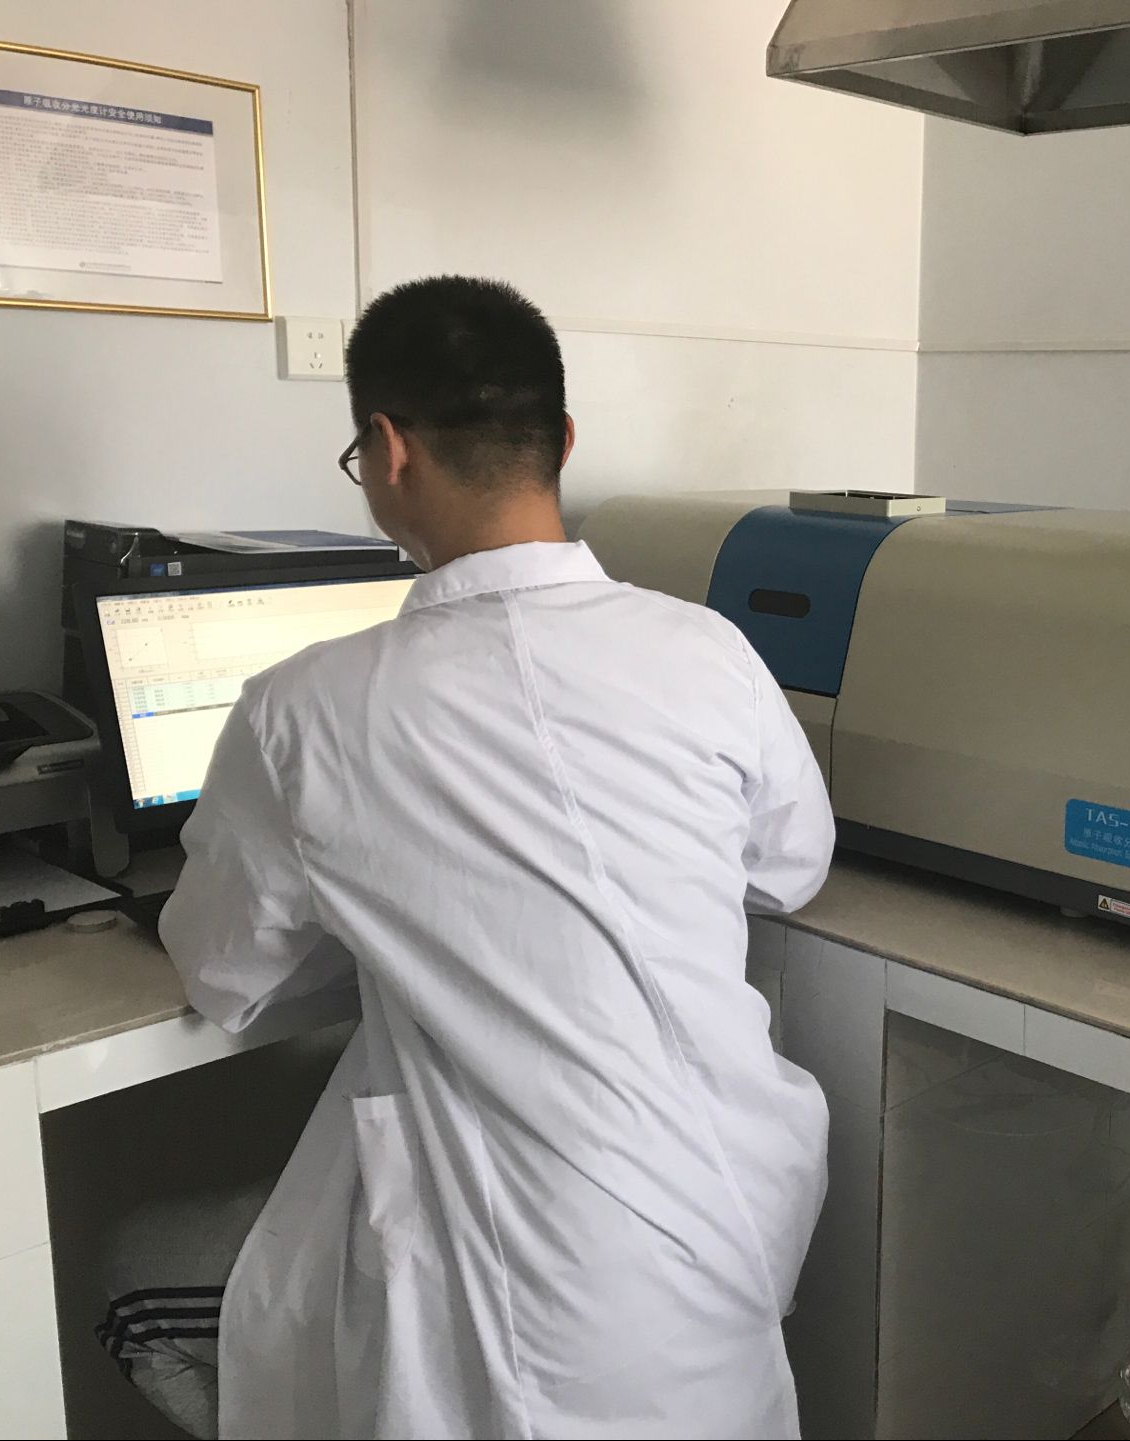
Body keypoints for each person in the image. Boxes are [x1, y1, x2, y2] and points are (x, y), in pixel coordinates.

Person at [114, 275, 836, 1437]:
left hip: (530, 1292)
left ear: (387, 448)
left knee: (133, 1266)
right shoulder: (710, 651)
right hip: (734, 1219)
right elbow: (788, 869)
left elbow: (223, 976)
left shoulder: (306, 709)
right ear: (563, 440)